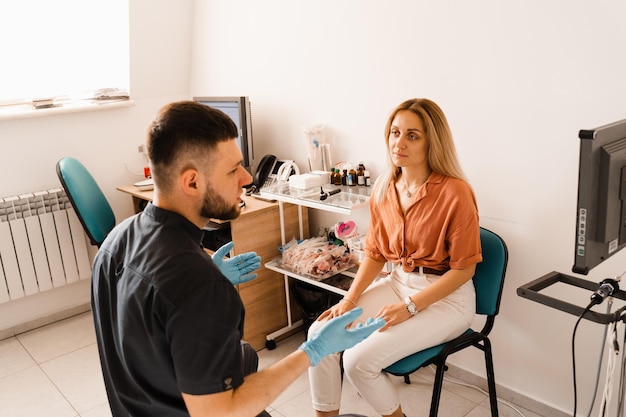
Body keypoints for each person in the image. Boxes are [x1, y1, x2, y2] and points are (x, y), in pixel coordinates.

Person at [91, 100, 385, 417]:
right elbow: (220, 413)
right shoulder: (200, 285)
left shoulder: (114, 243)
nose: (246, 178)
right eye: (233, 169)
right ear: (192, 182)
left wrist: (190, 298)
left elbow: (143, 331)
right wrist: (312, 351)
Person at [307, 98, 482, 417]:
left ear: (432, 142)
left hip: (447, 298)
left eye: (412, 135)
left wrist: (410, 307)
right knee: (319, 335)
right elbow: (374, 253)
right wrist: (349, 300)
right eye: (395, 132)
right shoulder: (385, 188)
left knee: (358, 362)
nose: (399, 143)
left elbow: (464, 270)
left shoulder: (456, 192)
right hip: (399, 282)